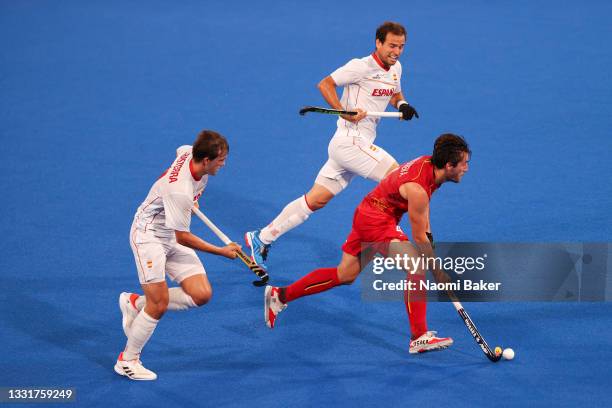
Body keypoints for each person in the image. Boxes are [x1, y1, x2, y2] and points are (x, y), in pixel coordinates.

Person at [264, 134, 470, 354]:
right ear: (449, 166)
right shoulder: (418, 189)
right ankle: (419, 337)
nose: (466, 168)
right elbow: (419, 236)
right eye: (464, 163)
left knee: (345, 275)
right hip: (377, 221)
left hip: (367, 212)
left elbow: (424, 224)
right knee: (416, 266)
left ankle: (280, 295)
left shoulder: (429, 165)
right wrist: (437, 272)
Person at [245, 21, 419, 269]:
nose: (397, 51)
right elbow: (325, 84)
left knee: (315, 200)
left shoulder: (396, 68)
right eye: (392, 45)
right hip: (350, 142)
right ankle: (389, 229)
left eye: (401, 46)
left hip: (352, 146)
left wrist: (402, 105)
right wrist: (344, 111)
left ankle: (261, 237)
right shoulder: (359, 67)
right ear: (378, 42)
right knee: (398, 177)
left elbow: (394, 93)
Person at [114, 130, 241, 380]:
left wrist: (190, 202)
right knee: (159, 304)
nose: (224, 164)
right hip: (149, 236)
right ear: (206, 160)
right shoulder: (179, 191)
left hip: (172, 229)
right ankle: (127, 360)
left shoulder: (188, 154)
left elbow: (180, 149)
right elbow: (183, 238)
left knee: (201, 294)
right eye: (221, 160)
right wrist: (222, 251)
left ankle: (135, 304)